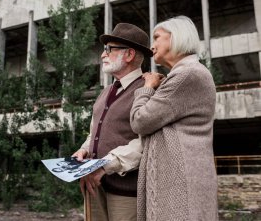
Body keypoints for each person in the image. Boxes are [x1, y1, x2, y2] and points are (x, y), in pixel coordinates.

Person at [130, 16, 218, 221]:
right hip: (181, 177)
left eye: (157, 37)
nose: (152, 45)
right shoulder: (185, 75)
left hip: (181, 180)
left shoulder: (186, 75)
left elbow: (140, 121)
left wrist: (147, 88)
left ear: (176, 37)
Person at [72, 23, 153, 221]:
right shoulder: (105, 92)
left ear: (129, 55)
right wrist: (83, 150)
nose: (102, 55)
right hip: (94, 186)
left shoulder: (148, 90)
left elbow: (146, 143)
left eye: (109, 49)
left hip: (126, 192)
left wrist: (104, 166)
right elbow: (93, 134)